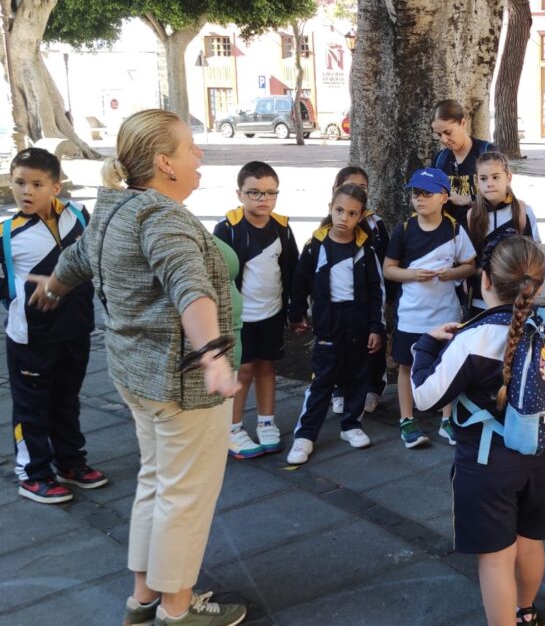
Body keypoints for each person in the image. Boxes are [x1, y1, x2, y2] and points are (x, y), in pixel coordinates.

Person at [28, 109, 244, 625]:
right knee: (184, 496)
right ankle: (176, 609)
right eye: (192, 148)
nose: (200, 155)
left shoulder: (117, 208)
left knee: (158, 481)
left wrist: (54, 287)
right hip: (180, 383)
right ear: (166, 163)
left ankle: (144, 597)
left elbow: (79, 258)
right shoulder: (163, 217)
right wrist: (213, 355)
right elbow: (188, 284)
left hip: (137, 376)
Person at [411, 236, 545, 626]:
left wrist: (425, 346)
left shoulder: (473, 338)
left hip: (489, 462)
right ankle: (526, 613)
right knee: (530, 543)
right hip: (543, 455)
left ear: (486, 282)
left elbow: (426, 398)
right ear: (539, 285)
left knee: (495, 558)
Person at [1, 147, 105, 504]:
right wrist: (29, 292)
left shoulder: (78, 216)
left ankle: (70, 462)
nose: (26, 191)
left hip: (76, 329)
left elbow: (95, 263)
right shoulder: (6, 235)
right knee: (32, 407)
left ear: (56, 187)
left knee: (66, 400)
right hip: (32, 337)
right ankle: (34, 473)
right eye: (19, 183)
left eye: (36, 183)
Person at [286, 183, 384, 464]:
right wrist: (297, 313)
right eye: (339, 210)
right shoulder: (315, 245)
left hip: (359, 322)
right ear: (330, 208)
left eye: (352, 213)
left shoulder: (366, 248)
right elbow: (300, 282)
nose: (344, 217)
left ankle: (351, 425)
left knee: (357, 375)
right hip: (329, 321)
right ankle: (305, 435)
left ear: (361, 215)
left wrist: (376, 326)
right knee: (323, 379)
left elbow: (377, 290)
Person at [384, 168, 477, 448]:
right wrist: (413, 275)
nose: (419, 198)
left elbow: (470, 264)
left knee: (445, 363)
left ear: (444, 197)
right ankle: (406, 418)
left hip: (446, 313)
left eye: (427, 193)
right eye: (415, 193)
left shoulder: (454, 229)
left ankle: (447, 418)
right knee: (406, 365)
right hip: (411, 315)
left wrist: (454, 274)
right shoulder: (404, 230)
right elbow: (389, 270)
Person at [213, 161, 299, 459]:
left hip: (272, 313)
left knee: (266, 366)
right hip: (240, 318)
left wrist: (295, 310)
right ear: (240, 194)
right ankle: (233, 428)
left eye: (270, 193)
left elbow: (292, 271)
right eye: (254, 193)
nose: (263, 199)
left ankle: (266, 421)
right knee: (243, 370)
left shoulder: (283, 228)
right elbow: (219, 275)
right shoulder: (228, 230)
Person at [329, 166, 390, 414]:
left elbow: (387, 261)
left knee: (373, 343)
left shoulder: (376, 224)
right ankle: (340, 388)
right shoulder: (325, 230)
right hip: (338, 304)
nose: (356, 191)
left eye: (362, 187)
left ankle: (373, 388)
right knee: (339, 346)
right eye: (349, 186)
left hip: (370, 300)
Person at [466, 151, 540, 316]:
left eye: (495, 177)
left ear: (508, 177)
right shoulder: (472, 216)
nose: (489, 184)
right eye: (483, 179)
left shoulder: (523, 212)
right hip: (481, 300)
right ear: (477, 180)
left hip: (517, 300)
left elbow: (534, 254)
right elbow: (469, 258)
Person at [431, 99, 497, 223]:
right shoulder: (440, 159)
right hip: (450, 234)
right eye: (439, 135)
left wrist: (468, 199)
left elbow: (502, 195)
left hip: (484, 231)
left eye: (448, 132)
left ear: (463, 123)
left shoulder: (487, 152)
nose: (444, 140)